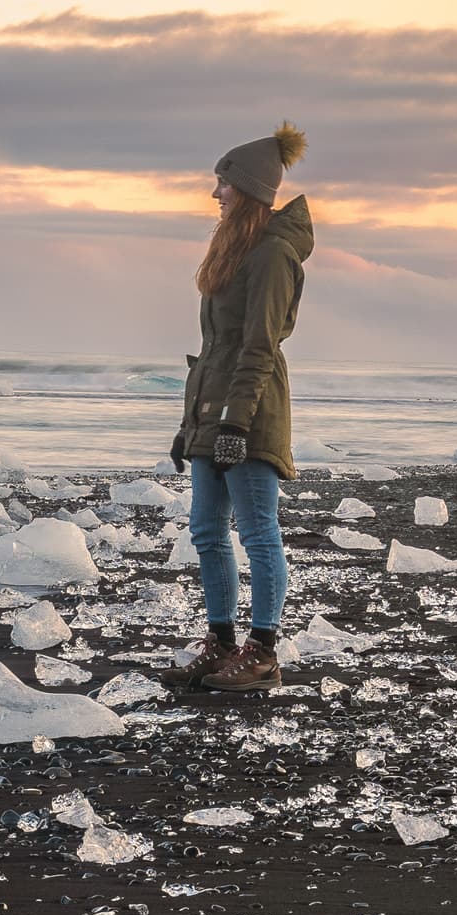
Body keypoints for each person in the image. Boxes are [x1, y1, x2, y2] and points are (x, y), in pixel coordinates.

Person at [170, 123, 312, 690]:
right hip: (213, 409)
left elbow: (258, 346)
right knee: (207, 531)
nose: (215, 194)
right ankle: (222, 641)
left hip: (250, 415)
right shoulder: (234, 249)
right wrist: (192, 425)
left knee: (258, 532)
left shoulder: (275, 254)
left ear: (248, 189)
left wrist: (235, 423)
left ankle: (264, 653)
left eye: (223, 183)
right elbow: (214, 351)